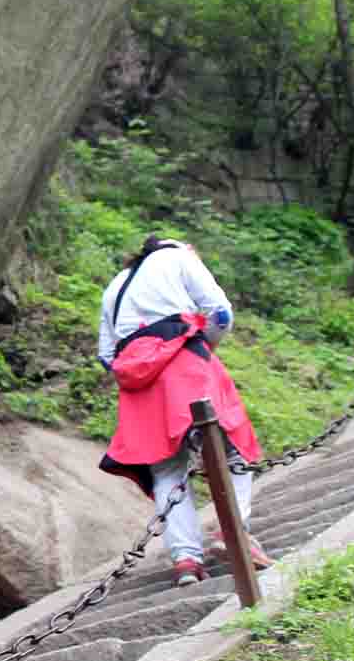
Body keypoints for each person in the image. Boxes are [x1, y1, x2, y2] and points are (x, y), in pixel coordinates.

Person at [96, 237, 269, 587]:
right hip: (185, 364)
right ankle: (231, 532)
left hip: (139, 385)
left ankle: (186, 559)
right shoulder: (178, 257)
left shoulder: (115, 287)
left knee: (167, 469)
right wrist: (206, 342)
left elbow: (106, 354)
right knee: (234, 448)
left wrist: (142, 359)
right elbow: (221, 312)